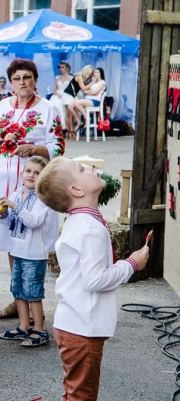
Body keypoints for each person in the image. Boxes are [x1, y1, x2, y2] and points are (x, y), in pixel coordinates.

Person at [35, 157, 149, 400]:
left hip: (74, 324)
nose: (90, 167)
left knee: (74, 392)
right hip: (81, 328)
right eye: (81, 168)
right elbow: (95, 280)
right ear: (76, 190)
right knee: (81, 396)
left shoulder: (82, 222)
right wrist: (131, 264)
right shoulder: (90, 229)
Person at [0, 58, 64, 320]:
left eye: (27, 77)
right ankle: (19, 302)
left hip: (32, 184)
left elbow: (59, 146)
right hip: (4, 183)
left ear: (35, 80)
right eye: (16, 78)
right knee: (12, 240)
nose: (22, 82)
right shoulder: (3, 105)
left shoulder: (48, 109)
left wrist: (34, 149)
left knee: (31, 241)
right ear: (10, 82)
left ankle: (33, 304)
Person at [0, 156, 54, 347]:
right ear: (21, 174)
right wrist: (3, 213)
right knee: (19, 290)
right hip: (17, 252)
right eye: (28, 171)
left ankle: (39, 329)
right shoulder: (15, 195)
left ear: (44, 178)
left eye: (37, 173)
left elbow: (33, 221)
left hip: (34, 255)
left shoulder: (42, 200)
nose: (31, 175)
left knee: (33, 292)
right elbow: (10, 223)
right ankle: (23, 326)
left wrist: (14, 207)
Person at [68, 67, 106, 135]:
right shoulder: (93, 82)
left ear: (101, 74)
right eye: (94, 72)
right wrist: (91, 92)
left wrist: (91, 92)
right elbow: (85, 91)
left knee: (76, 102)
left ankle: (87, 118)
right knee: (70, 105)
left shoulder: (102, 83)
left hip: (95, 101)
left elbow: (95, 92)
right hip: (87, 100)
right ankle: (79, 122)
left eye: (97, 72)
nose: (95, 74)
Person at [63, 64, 93, 138]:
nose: (91, 75)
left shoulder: (79, 76)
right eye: (91, 73)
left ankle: (69, 133)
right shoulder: (79, 76)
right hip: (69, 94)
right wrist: (92, 82)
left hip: (67, 94)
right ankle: (71, 132)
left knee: (68, 114)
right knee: (70, 114)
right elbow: (83, 88)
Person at [50, 62, 72, 134]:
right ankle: (56, 127)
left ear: (67, 68)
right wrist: (57, 94)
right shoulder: (57, 78)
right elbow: (54, 90)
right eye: (60, 67)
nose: (61, 69)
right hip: (57, 94)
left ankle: (66, 129)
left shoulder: (71, 78)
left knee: (66, 110)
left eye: (63, 67)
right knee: (55, 105)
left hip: (66, 94)